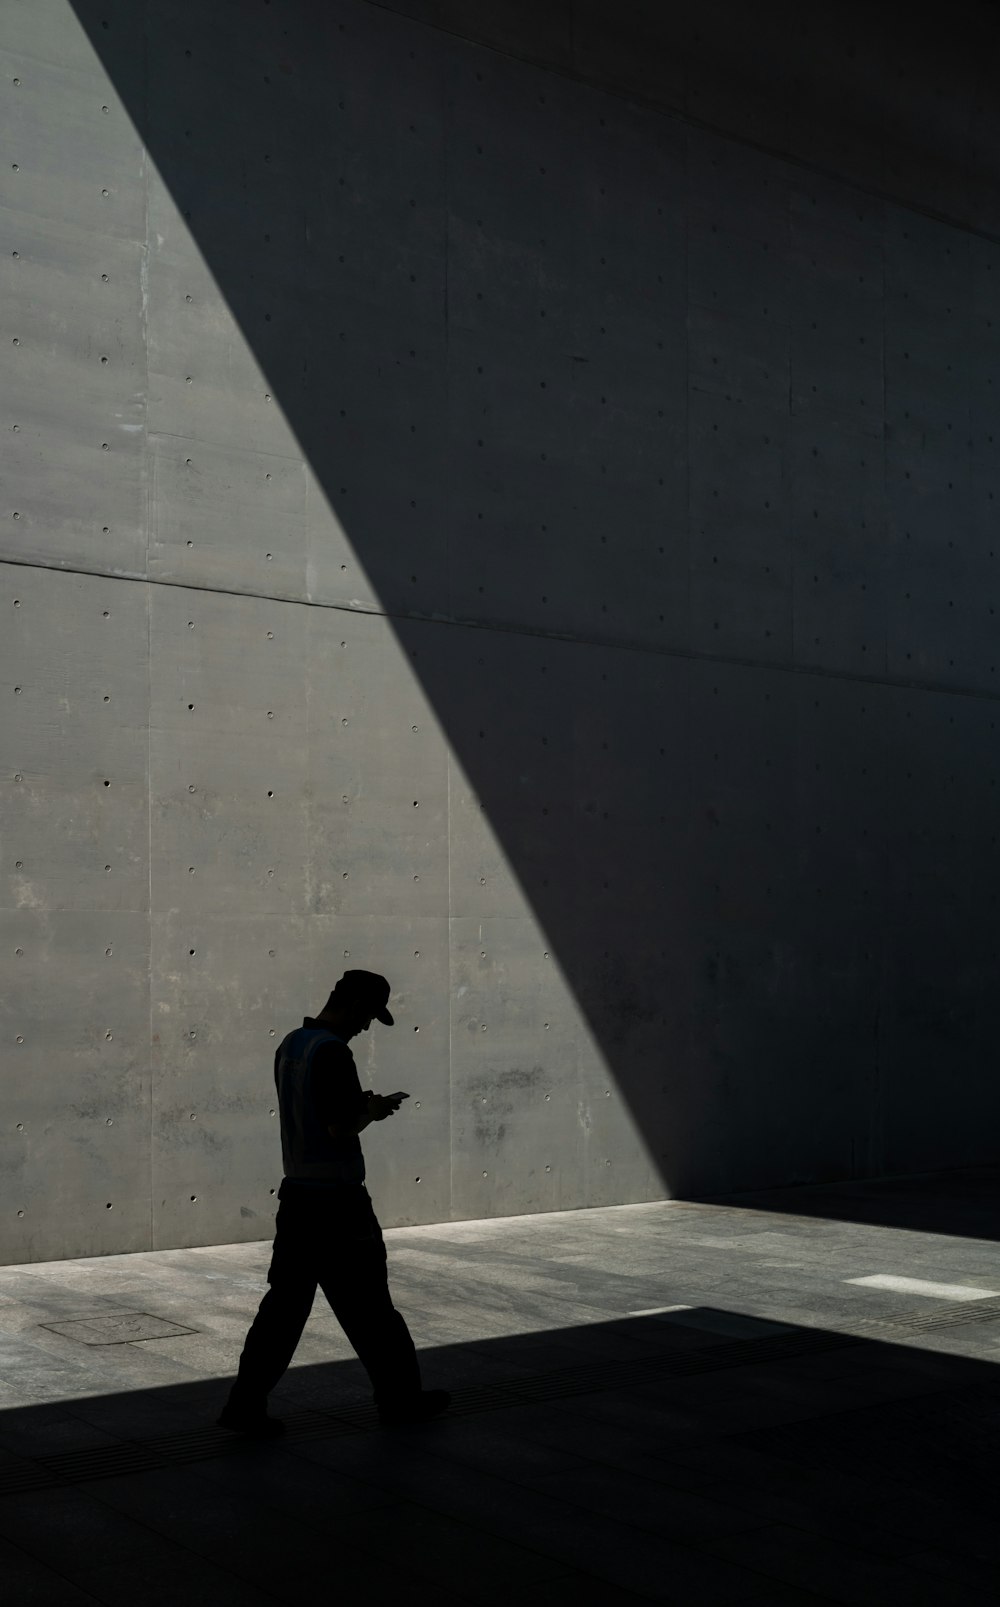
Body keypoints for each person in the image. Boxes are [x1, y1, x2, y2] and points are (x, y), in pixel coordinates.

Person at [217, 970, 450, 1437]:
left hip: (298, 1197)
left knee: (283, 1309)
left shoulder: (291, 1046)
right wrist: (373, 1110)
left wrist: (358, 1106)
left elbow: (312, 1111)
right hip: (339, 1205)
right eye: (368, 1015)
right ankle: (401, 1399)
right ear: (355, 1003)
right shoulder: (333, 1052)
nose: (366, 1027)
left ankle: (244, 1407)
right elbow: (339, 1127)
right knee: (372, 1309)